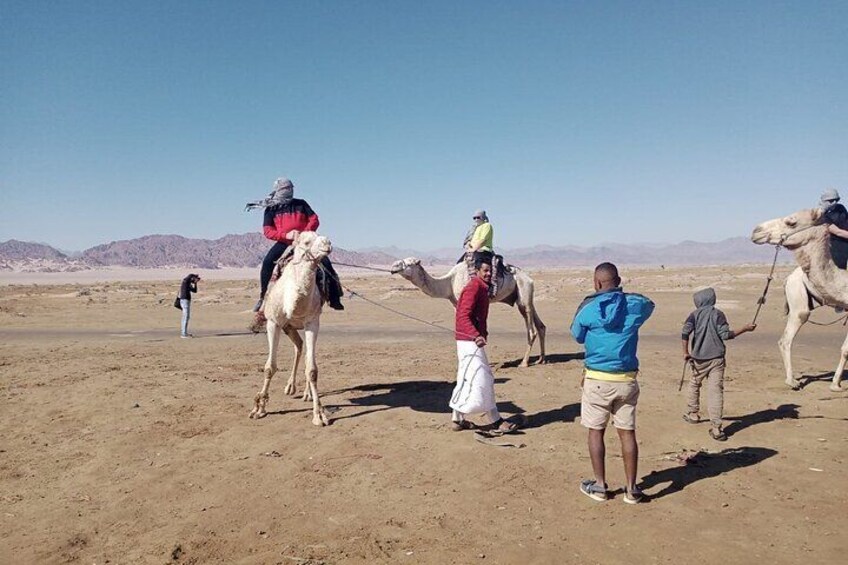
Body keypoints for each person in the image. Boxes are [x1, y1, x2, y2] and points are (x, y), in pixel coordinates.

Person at [570, 262, 654, 504]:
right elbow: (650, 305)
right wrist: (622, 297)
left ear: (596, 283)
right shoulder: (635, 305)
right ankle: (631, 489)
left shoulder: (588, 308)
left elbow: (577, 336)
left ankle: (599, 485)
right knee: (627, 433)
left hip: (596, 379)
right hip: (626, 380)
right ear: (618, 281)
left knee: (596, 431)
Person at [245, 177, 343, 312]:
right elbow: (268, 231)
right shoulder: (271, 209)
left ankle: (334, 297)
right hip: (284, 242)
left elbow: (314, 219)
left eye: (291, 188)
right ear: (278, 190)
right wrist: (287, 235)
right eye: (286, 188)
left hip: (306, 242)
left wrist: (304, 234)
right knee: (268, 263)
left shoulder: (301, 204)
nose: (290, 190)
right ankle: (263, 297)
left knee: (325, 263)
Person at [449, 256, 519, 434]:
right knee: (483, 378)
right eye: (485, 271)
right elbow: (462, 315)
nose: (488, 274)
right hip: (468, 340)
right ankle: (495, 420)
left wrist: (480, 334)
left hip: (470, 339)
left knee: (468, 377)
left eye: (490, 271)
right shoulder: (474, 287)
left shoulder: (481, 287)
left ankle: (457, 419)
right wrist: (475, 335)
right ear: (477, 271)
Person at [681, 288, 756, 441]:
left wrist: (685, 352)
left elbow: (684, 333)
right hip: (717, 358)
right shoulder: (718, 314)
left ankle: (693, 414)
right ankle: (716, 428)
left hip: (698, 359)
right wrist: (745, 329)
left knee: (694, 384)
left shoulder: (693, 315)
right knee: (716, 392)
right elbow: (726, 335)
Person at [819, 188, 848, 269]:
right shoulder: (822, 218)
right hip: (837, 247)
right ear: (824, 202)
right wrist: (823, 211)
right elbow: (838, 232)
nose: (834, 203)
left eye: (836, 200)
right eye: (831, 201)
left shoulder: (840, 208)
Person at [178, 273, 200, 338]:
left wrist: (195, 283)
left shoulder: (188, 284)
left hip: (186, 301)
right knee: (185, 317)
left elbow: (195, 291)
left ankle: (184, 332)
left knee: (186, 317)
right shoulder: (186, 281)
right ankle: (183, 334)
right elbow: (189, 276)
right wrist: (195, 276)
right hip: (184, 301)